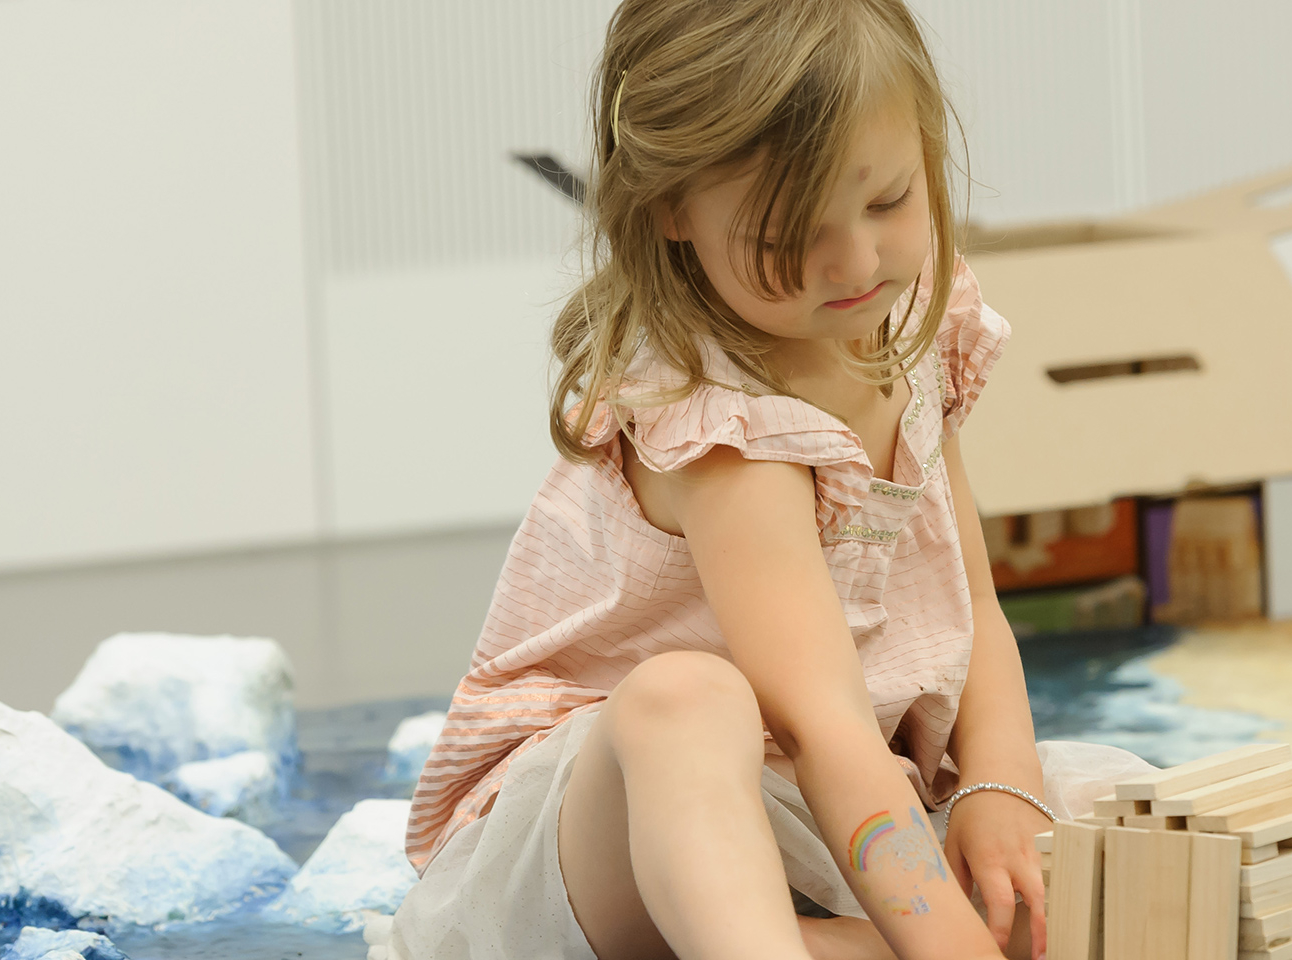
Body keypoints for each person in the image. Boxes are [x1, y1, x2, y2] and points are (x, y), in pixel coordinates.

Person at [371, 2, 1156, 958]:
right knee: (688, 699)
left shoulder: (913, 321)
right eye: (790, 235)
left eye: (888, 201)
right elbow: (820, 725)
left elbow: (969, 598)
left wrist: (1000, 781)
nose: (858, 262)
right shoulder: (721, 426)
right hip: (608, 824)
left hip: (827, 793)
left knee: (1100, 858)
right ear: (671, 207)